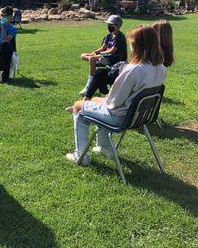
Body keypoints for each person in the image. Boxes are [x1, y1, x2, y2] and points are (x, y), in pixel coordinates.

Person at [66, 25, 167, 165]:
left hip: (121, 118)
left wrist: (105, 98)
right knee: (95, 99)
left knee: (78, 106)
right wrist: (100, 99)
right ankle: (103, 147)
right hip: (140, 117)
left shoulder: (132, 70)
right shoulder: (161, 68)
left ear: (138, 46)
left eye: (131, 43)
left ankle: (81, 157)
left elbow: (113, 103)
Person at [82, 20, 174, 100]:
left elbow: (115, 103)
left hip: (122, 113)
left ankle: (87, 98)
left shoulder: (133, 71)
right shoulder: (161, 68)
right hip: (140, 106)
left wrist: (108, 98)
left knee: (80, 105)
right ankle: (95, 93)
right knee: (101, 74)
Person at [79, 15, 127, 95]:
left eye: (111, 25)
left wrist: (98, 55)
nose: (109, 27)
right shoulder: (108, 35)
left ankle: (88, 85)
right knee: (83, 55)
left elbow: (112, 51)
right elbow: (102, 48)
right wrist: (94, 52)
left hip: (115, 59)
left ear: (118, 26)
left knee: (92, 59)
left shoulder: (120, 37)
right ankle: (97, 62)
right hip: (105, 56)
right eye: (108, 25)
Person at [0, 6, 17, 83]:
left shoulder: (13, 28)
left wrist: (2, 27)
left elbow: (5, 39)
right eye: (1, 15)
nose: (2, 17)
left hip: (4, 46)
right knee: (7, 49)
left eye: (4, 15)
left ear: (10, 16)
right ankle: (5, 75)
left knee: (5, 46)